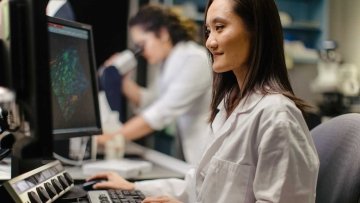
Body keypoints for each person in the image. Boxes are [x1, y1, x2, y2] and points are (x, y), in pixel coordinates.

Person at [88, 0, 320, 202]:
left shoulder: (277, 117)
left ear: (256, 30)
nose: (209, 42)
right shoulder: (230, 104)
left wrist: (109, 138)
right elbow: (201, 185)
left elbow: (161, 112)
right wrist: (135, 188)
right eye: (208, 31)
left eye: (220, 28)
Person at [98, 4, 212, 165]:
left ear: (163, 34)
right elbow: (151, 102)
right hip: (193, 152)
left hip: (208, 149)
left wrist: (110, 137)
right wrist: (122, 81)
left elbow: (161, 112)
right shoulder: (167, 64)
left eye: (142, 44)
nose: (141, 52)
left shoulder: (194, 59)